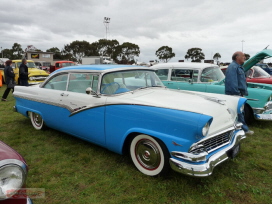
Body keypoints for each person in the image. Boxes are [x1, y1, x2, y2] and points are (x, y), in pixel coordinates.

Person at [225, 51, 254, 135]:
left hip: (238, 94)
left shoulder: (238, 67)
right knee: (239, 112)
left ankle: (237, 129)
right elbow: (232, 82)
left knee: (239, 112)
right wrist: (237, 93)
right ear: (237, 57)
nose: (244, 57)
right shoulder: (233, 67)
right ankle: (244, 130)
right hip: (234, 95)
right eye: (243, 56)